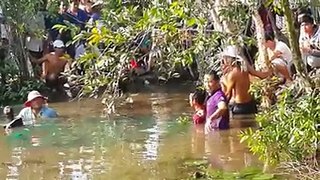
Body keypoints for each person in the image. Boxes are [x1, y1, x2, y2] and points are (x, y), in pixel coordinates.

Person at [220, 45, 271, 115]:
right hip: (251, 104)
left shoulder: (232, 74)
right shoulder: (245, 68)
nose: (224, 61)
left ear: (229, 59)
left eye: (225, 58)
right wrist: (270, 73)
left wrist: (223, 80)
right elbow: (260, 75)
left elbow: (227, 94)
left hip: (240, 107)